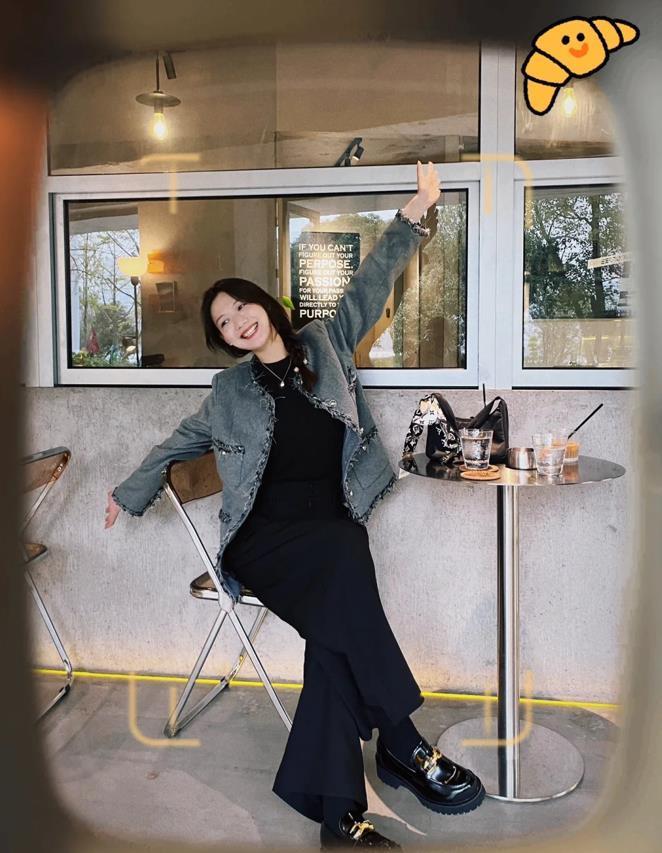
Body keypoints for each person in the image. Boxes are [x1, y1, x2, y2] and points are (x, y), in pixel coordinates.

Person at [104, 162, 484, 849]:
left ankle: (339, 817)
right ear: (224, 340)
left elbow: (373, 280)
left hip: (329, 528)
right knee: (345, 555)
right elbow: (175, 445)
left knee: (334, 633)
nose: (237, 323)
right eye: (223, 324)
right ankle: (403, 744)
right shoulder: (228, 391)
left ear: (265, 304)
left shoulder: (325, 343)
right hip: (264, 539)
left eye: (240, 308)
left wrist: (418, 207)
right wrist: (126, 492)